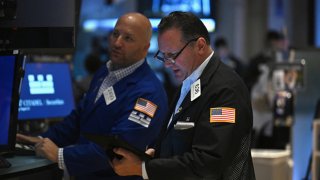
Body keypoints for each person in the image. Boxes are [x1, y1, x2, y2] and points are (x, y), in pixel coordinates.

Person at [16, 12, 168, 180]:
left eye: (128, 38)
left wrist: (61, 155)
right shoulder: (105, 72)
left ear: (145, 48)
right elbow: (79, 117)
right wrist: (39, 140)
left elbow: (119, 150)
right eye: (115, 34)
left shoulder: (148, 94)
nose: (117, 43)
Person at [111, 11, 255, 180]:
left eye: (172, 55)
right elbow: (178, 139)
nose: (166, 64)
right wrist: (155, 153)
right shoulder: (190, 80)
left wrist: (143, 168)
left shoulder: (226, 90)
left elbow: (208, 162)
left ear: (200, 46)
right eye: (163, 56)